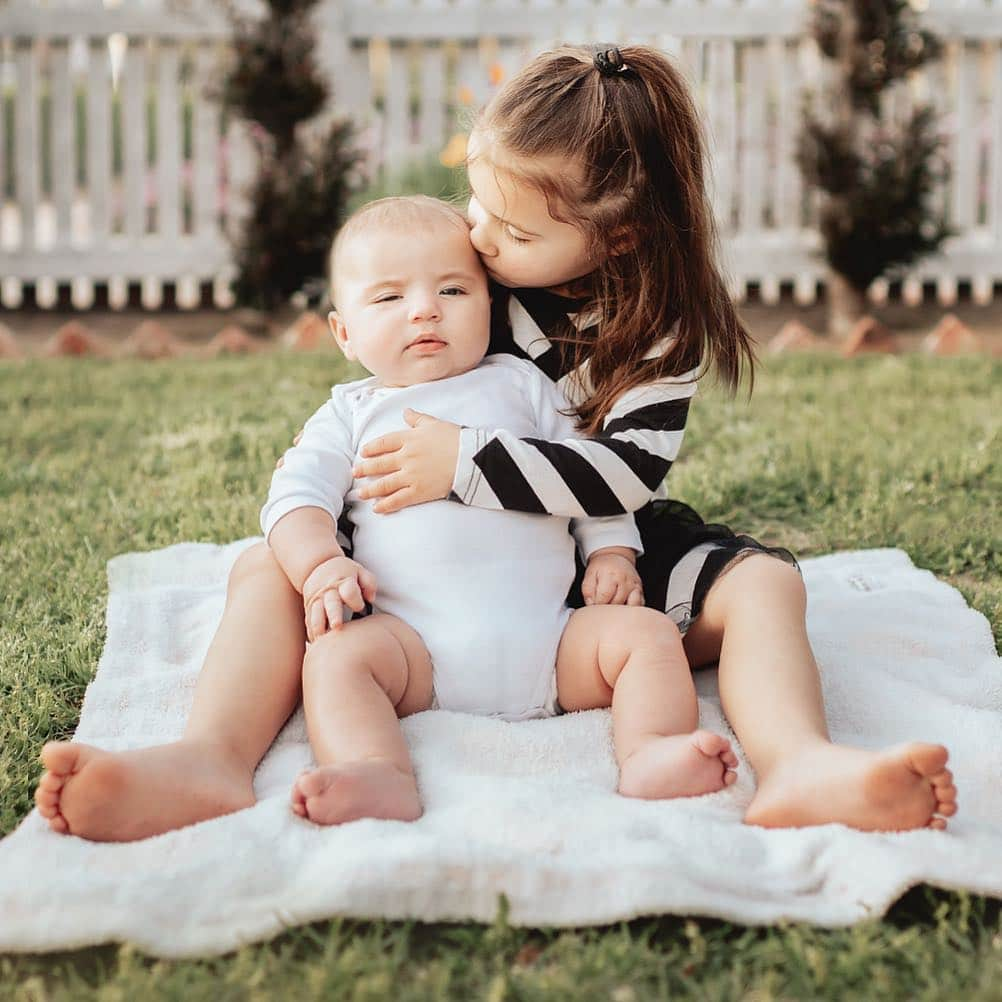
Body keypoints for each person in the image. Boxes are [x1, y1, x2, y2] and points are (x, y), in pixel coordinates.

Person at [36, 44, 956, 840]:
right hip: (412, 573)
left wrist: (492, 480)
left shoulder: (660, 331)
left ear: (619, 237)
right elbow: (352, 396)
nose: (473, 242)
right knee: (265, 572)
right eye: (474, 204)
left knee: (767, 584)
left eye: (507, 230)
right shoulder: (466, 276)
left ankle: (797, 763)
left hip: (593, 536)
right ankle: (208, 759)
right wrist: (325, 556)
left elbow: (624, 473)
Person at [35, 195, 738, 837]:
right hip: (412, 651)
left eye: (452, 290)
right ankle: (379, 771)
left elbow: (587, 479)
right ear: (343, 331)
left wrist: (614, 553)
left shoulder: (524, 386)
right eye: (390, 296)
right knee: (337, 662)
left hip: (552, 645)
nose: (424, 310)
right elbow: (294, 501)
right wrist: (321, 568)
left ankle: (649, 752)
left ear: (490, 304)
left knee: (645, 637)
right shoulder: (350, 412)